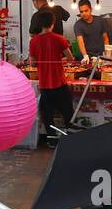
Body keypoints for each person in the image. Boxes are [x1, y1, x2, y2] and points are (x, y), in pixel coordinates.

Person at [29, 9, 76, 147]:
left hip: (45, 85)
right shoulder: (60, 39)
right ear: (53, 23)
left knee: (48, 115)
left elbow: (32, 63)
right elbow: (71, 59)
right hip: (60, 83)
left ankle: (51, 140)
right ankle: (72, 139)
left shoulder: (34, 41)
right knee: (67, 112)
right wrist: (59, 59)